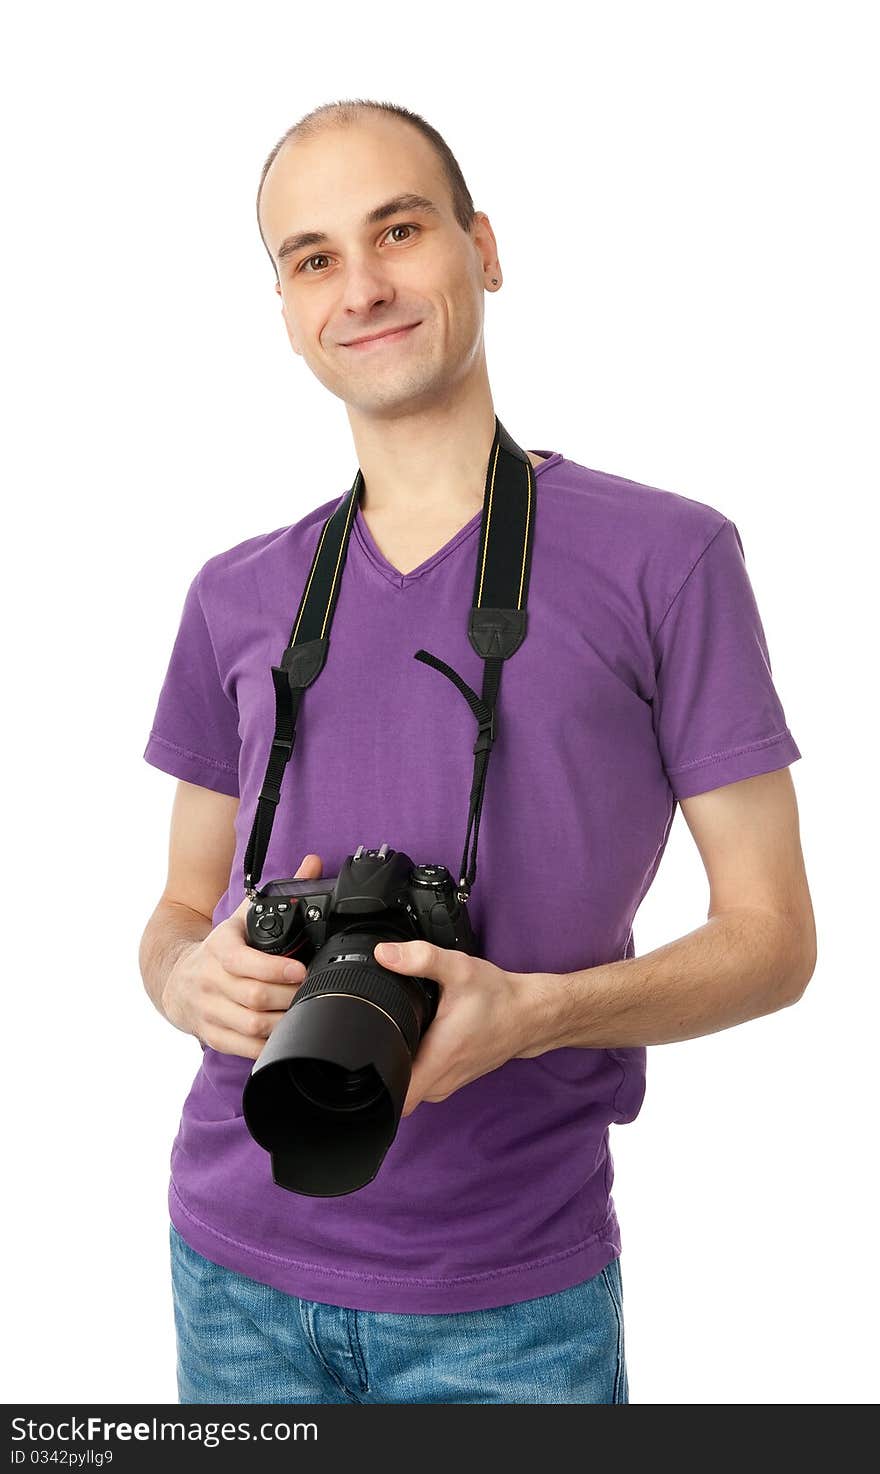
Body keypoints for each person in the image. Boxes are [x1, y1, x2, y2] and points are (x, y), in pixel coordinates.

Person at [139, 98, 816, 1406]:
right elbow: (176, 909)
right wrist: (186, 980)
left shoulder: (670, 559)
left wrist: (539, 1014)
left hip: (510, 1295)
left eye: (399, 228)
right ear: (284, 303)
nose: (364, 285)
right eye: (314, 256)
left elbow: (776, 936)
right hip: (229, 1262)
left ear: (482, 246)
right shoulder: (235, 593)